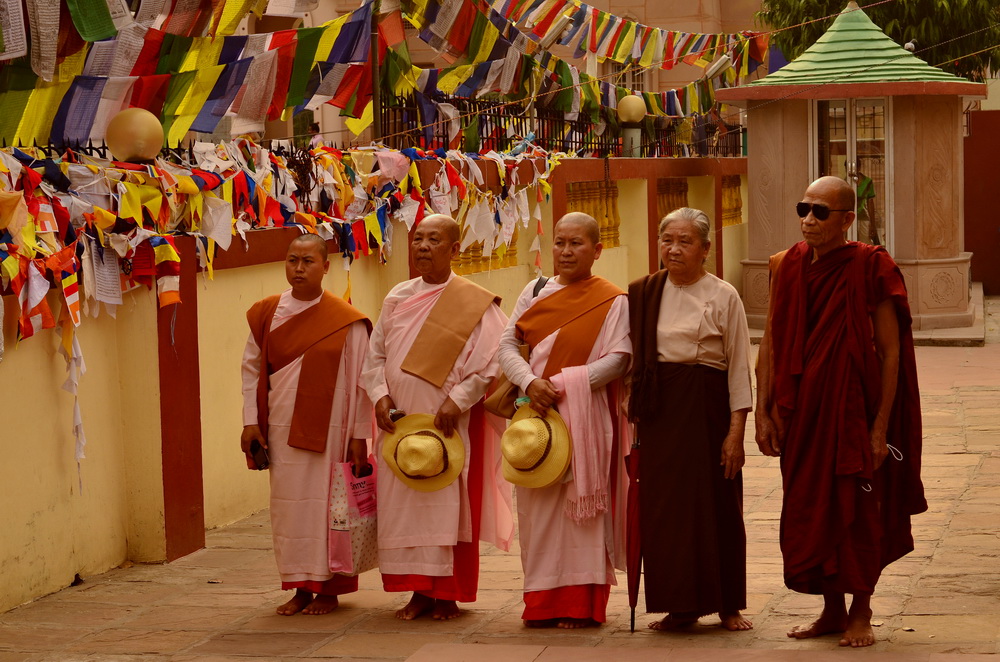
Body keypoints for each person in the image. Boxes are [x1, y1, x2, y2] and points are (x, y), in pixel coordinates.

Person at [756, 176, 925, 647]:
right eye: (803, 209)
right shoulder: (784, 265)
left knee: (859, 510)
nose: (808, 220)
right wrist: (763, 411)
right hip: (802, 414)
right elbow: (770, 338)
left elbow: (890, 352)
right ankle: (831, 610)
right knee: (809, 508)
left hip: (853, 410)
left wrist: (879, 428)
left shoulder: (872, 266)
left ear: (847, 219)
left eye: (820, 212)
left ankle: (861, 612)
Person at [361, 214, 513, 621]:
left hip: (449, 423)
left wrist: (458, 401)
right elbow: (375, 358)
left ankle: (446, 592)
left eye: (433, 239)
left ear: (454, 248)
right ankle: (417, 591)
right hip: (400, 424)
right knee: (403, 506)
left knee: (447, 505)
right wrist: (380, 396)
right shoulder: (397, 297)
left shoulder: (474, 301)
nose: (423, 246)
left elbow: (492, 365)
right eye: (417, 239)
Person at [497, 211, 631, 629]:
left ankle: (580, 605)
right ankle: (541, 602)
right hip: (534, 417)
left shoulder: (612, 299)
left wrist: (565, 385)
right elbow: (507, 344)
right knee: (537, 514)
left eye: (576, 243)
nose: (566, 251)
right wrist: (530, 382)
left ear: (597, 249)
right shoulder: (535, 291)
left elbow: (621, 357)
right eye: (559, 242)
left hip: (584, 417)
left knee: (581, 515)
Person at [627, 207, 753, 632]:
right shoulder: (645, 292)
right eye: (667, 239)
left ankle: (728, 603)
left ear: (705, 249)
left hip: (708, 411)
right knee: (665, 510)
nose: (673, 248)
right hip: (661, 414)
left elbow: (738, 368)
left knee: (717, 504)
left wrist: (736, 433)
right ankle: (678, 605)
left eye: (684, 241)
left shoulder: (723, 295)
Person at [240, 233, 372, 616]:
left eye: (307, 261)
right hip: (281, 430)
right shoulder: (265, 313)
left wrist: (359, 436)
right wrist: (251, 422)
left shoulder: (347, 321)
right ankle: (299, 585)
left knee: (328, 508)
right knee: (289, 509)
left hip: (332, 432)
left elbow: (363, 382)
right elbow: (251, 371)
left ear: (326, 266)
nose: (298, 269)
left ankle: (328, 588)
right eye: (292, 260)